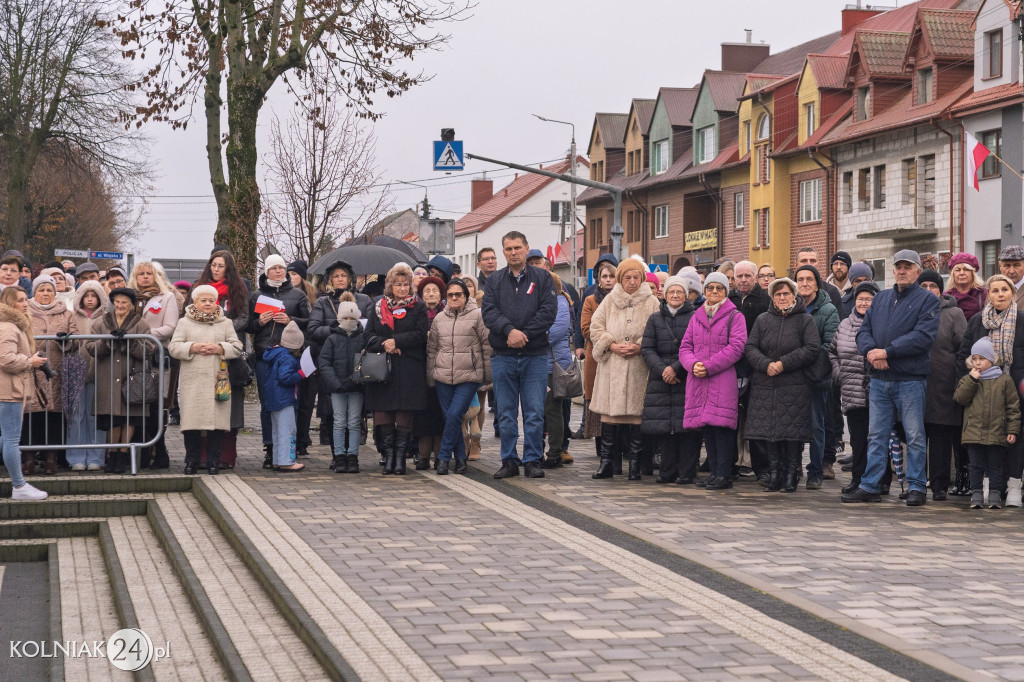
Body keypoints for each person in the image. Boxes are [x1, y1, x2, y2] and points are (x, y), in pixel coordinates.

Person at [843, 250, 940, 506]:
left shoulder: (927, 300)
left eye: (908, 266)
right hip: (880, 378)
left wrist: (888, 352)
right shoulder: (881, 298)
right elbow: (863, 332)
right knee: (876, 435)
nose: (902, 271)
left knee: (914, 435)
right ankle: (870, 485)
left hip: (910, 379)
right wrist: (872, 353)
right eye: (898, 266)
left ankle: (917, 487)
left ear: (918, 271)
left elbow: (923, 337)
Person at [481, 231, 558, 479]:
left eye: (517, 247)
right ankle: (509, 460)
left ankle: (533, 459)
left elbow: (548, 312)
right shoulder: (494, 281)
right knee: (505, 413)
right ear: (503, 252)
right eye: (508, 249)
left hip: (534, 355)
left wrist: (524, 334)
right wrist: (509, 331)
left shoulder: (543, 278)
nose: (513, 252)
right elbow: (489, 312)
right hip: (503, 356)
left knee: (534, 412)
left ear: (526, 248)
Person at [745, 278, 820, 492]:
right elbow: (750, 347)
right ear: (772, 297)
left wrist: (783, 364)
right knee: (770, 431)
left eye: (786, 293)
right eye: (778, 294)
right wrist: (766, 364)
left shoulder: (805, 320)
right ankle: (775, 473)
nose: (782, 297)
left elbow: (812, 348)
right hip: (765, 384)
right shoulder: (762, 319)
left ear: (794, 296)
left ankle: (790, 475)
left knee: (791, 432)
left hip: (794, 385)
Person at [590, 257, 661, 480]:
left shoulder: (652, 302)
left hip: (639, 367)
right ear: (620, 279)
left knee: (636, 416)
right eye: (627, 277)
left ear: (642, 278)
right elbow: (595, 327)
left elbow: (658, 330)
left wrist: (640, 346)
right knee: (610, 416)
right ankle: (606, 463)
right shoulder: (610, 300)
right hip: (612, 366)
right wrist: (611, 344)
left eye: (636, 277)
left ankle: (635, 467)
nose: (632, 282)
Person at [957, 274, 1024, 506]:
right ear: (989, 295)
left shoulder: (1021, 319)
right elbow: (964, 353)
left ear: (1012, 293)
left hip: (1014, 387)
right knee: (985, 442)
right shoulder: (978, 320)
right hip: (982, 390)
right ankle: (990, 487)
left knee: (1015, 436)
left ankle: (1013, 486)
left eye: (1004, 290)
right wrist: (967, 381)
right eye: (995, 290)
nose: (1000, 294)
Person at [680, 272, 747, 490]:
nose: (714, 292)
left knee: (722, 427)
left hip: (722, 378)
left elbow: (736, 347)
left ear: (726, 291)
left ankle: (724, 474)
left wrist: (708, 366)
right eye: (710, 288)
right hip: (698, 379)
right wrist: (693, 365)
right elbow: (685, 347)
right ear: (705, 291)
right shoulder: (696, 316)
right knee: (707, 425)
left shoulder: (735, 316)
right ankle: (714, 473)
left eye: (719, 288)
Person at [168, 284, 243, 475]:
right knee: (191, 425)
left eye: (211, 300)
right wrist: (192, 347)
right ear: (195, 302)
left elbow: (237, 346)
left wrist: (220, 348)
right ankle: (191, 461)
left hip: (217, 382)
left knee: (216, 425)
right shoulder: (184, 322)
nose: (208, 303)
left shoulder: (225, 322)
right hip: (192, 382)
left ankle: (213, 461)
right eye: (204, 300)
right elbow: (173, 347)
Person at [364, 263, 429, 475]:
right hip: (383, 369)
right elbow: (368, 336)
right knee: (384, 414)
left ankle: (400, 458)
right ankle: (389, 456)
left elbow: (420, 334)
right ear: (390, 286)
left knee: (404, 414)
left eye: (405, 284)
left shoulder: (418, 306)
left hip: (409, 368)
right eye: (398, 284)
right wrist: (386, 344)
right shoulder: (378, 306)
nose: (402, 288)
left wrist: (397, 341)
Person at [247, 254, 310, 468]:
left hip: (289, 355)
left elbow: (309, 321)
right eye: (273, 268)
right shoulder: (257, 296)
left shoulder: (297, 294)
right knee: (267, 403)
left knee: (288, 403)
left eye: (281, 268)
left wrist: (291, 320)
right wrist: (259, 322)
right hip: (265, 355)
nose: (277, 271)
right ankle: (270, 449)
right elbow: (248, 326)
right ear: (266, 271)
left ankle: (288, 449)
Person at [83, 288, 153, 474]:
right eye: (117, 302)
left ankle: (123, 455)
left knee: (129, 418)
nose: (120, 305)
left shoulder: (140, 323)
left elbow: (149, 350)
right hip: (107, 376)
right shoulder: (101, 322)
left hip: (132, 376)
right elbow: (90, 346)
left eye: (125, 302)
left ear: (131, 305)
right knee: (113, 418)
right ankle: (112, 454)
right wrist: (107, 342)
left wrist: (130, 342)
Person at [306, 259, 371, 456]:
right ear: (330, 280)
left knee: (355, 415)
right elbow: (313, 329)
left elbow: (370, 328)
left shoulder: (363, 300)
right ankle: (338, 455)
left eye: (344, 275)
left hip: (357, 363)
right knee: (333, 414)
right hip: (332, 364)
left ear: (350, 278)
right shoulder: (322, 302)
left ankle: (352, 454)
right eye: (336, 276)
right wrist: (336, 329)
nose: (340, 279)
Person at [426, 278, 490, 475]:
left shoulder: (478, 315)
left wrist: (488, 376)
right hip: (443, 375)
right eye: (450, 295)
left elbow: (486, 346)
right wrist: (431, 375)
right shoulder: (439, 319)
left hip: (469, 375)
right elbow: (432, 349)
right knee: (450, 418)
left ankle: (444, 458)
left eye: (458, 294)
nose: (454, 298)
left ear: (466, 296)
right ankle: (461, 458)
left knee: (454, 415)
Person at [193, 250, 250, 467]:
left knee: (229, 404)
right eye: (213, 265)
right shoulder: (198, 288)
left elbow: (243, 318)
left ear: (228, 269)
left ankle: (226, 456)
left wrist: (221, 329)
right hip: (204, 352)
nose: (216, 269)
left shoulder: (239, 289)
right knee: (205, 405)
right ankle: (203, 455)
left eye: (221, 266)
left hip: (228, 353)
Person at [916, 269, 968, 501]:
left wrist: (957, 379)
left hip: (944, 385)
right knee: (916, 437)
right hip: (914, 382)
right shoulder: (911, 310)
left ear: (941, 289)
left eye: (933, 286)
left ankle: (939, 486)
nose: (928, 290)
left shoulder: (954, 313)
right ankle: (916, 483)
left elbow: (963, 349)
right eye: (923, 286)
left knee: (940, 438)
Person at [641, 275, 697, 483]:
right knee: (664, 427)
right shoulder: (655, 319)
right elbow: (647, 348)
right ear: (664, 295)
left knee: (687, 427)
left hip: (685, 376)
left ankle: (686, 471)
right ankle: (667, 470)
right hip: (661, 378)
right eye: (671, 291)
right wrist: (663, 370)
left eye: (679, 291)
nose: (675, 295)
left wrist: (676, 369)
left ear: (686, 295)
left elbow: (697, 347)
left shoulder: (695, 317)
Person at [955, 337, 1021, 509]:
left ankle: (994, 496)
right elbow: (960, 398)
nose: (977, 363)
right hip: (973, 433)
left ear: (992, 359)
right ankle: (976, 495)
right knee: (975, 466)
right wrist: (972, 381)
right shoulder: (968, 379)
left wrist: (1012, 430)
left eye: (982, 359)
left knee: (995, 466)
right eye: (974, 359)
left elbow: (1013, 407)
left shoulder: (1004, 381)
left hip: (996, 432)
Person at [23, 275, 79, 474]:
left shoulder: (66, 313)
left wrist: (67, 341)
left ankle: (51, 458)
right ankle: (28, 458)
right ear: (34, 292)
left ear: (55, 293)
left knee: (55, 416)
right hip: (32, 371)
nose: (45, 293)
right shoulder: (25, 312)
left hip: (57, 371)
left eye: (49, 290)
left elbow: (77, 339)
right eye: (41, 290)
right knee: (31, 414)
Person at [830, 281, 881, 494]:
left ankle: (880, 481)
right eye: (860, 299)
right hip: (852, 391)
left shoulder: (882, 324)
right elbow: (832, 352)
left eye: (869, 299)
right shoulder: (844, 324)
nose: (863, 303)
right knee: (858, 440)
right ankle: (857, 479)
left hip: (877, 391)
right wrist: (839, 374)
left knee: (877, 440)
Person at [129, 262, 180, 469]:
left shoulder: (166, 297)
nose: (145, 277)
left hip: (156, 357)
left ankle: (160, 450)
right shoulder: (129, 297)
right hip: (132, 358)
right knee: (136, 404)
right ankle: (141, 453)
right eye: (140, 274)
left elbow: (170, 327)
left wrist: (143, 335)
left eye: (149, 273)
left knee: (156, 405)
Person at [0, 287, 49, 499]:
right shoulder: (9, 327)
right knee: (11, 440)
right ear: (9, 304)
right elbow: (6, 359)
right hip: (9, 391)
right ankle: (19, 486)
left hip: (10, 389)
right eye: (20, 300)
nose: (25, 303)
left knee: (6, 439)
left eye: (25, 299)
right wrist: (30, 361)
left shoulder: (11, 326)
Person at [794, 265, 840, 488]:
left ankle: (815, 471)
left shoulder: (828, 310)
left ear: (817, 284)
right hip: (792, 378)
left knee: (816, 426)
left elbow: (829, 344)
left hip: (816, 377)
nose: (804, 283)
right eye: (800, 279)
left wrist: (805, 366)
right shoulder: (790, 306)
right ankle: (793, 467)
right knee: (791, 425)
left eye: (809, 279)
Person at [729, 260, 770, 480]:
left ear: (756, 277)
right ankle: (731, 464)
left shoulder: (766, 300)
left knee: (756, 420)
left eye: (747, 276)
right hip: (731, 367)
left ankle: (761, 467)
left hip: (757, 367)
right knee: (731, 419)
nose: (743, 280)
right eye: (739, 276)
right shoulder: (728, 300)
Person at [318, 293, 365, 474]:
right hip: (337, 388)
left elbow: (366, 361)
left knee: (354, 422)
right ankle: (339, 456)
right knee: (338, 422)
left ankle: (353, 456)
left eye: (352, 318)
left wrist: (355, 379)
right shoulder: (332, 339)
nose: (348, 321)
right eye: (345, 318)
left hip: (356, 387)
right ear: (339, 318)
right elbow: (324, 363)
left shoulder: (362, 338)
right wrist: (336, 383)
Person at [67, 281, 109, 471]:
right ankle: (75, 456)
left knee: (95, 416)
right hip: (76, 369)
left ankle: (96, 457)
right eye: (86, 295)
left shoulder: (106, 318)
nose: (90, 299)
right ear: (80, 298)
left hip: (100, 371)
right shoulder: (72, 316)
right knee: (76, 416)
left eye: (94, 295)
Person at [256, 321, 306, 471]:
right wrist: (301, 374)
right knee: (288, 430)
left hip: (273, 398)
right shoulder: (288, 358)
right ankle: (287, 461)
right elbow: (286, 378)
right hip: (285, 399)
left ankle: (277, 459)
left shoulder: (274, 354)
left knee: (277, 430)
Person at [580, 260, 617, 458]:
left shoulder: (624, 299)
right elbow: (586, 329)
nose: (608, 280)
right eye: (605, 276)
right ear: (599, 280)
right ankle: (601, 447)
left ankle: (619, 447)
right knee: (597, 399)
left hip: (620, 357)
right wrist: (610, 340)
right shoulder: (590, 300)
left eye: (612, 276)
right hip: (596, 357)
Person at [413, 275, 447, 469]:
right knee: (423, 414)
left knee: (440, 414)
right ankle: (423, 455)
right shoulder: (417, 313)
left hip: (443, 368)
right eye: (427, 291)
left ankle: (441, 456)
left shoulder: (448, 312)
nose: (431, 294)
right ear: (421, 295)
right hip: (420, 369)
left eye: (435, 290)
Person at [541, 272, 573, 469]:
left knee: (553, 410)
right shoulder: (543, 301)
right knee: (541, 410)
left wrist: (530, 337)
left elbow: (555, 332)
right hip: (540, 363)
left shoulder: (560, 302)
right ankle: (539, 451)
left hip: (554, 366)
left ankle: (555, 453)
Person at [945, 253, 987, 322]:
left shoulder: (983, 294)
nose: (961, 273)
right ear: (953, 274)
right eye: (958, 270)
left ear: (973, 273)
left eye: (966, 269)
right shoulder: (946, 297)